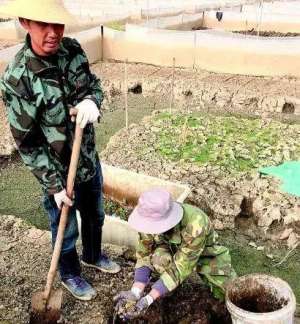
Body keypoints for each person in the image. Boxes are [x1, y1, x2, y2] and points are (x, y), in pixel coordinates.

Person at [0, 0, 120, 301]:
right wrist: (54, 186)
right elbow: (27, 143)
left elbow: (91, 85)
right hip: (56, 172)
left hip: (88, 161)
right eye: (44, 25)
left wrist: (93, 101)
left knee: (95, 215)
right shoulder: (18, 79)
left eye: (58, 24)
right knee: (64, 228)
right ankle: (69, 274)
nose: (53, 33)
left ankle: (94, 255)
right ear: (26, 22)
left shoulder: (74, 51)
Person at [114, 189, 236, 320]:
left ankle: (227, 311)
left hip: (205, 251)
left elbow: (181, 267)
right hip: (169, 246)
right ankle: (166, 290)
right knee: (159, 260)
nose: (151, 230)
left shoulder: (195, 224)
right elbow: (144, 255)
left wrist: (148, 299)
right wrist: (136, 292)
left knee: (229, 289)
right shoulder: (148, 221)